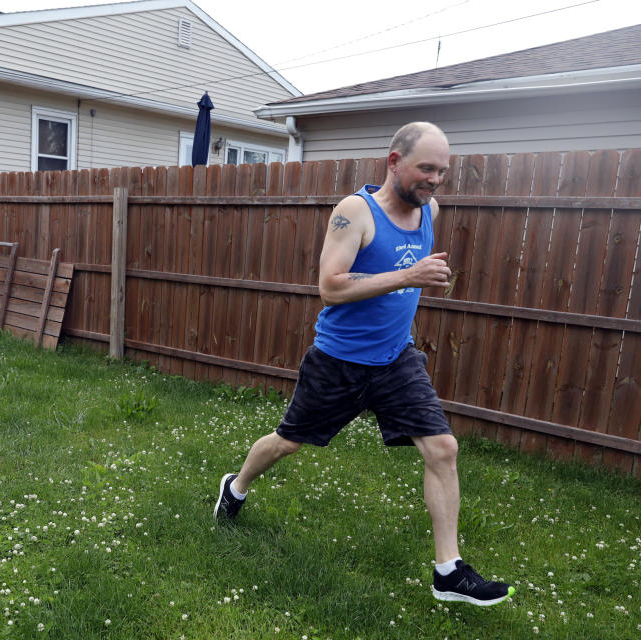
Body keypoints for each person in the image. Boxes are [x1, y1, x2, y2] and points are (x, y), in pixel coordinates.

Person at [213, 122, 515, 607]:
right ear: (394, 161)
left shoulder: (428, 209)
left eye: (442, 171)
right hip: (338, 362)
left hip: (396, 358)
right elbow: (330, 287)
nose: (435, 180)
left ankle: (448, 572)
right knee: (288, 441)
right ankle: (237, 484)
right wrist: (408, 276)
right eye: (426, 168)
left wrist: (418, 278)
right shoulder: (356, 212)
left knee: (442, 447)